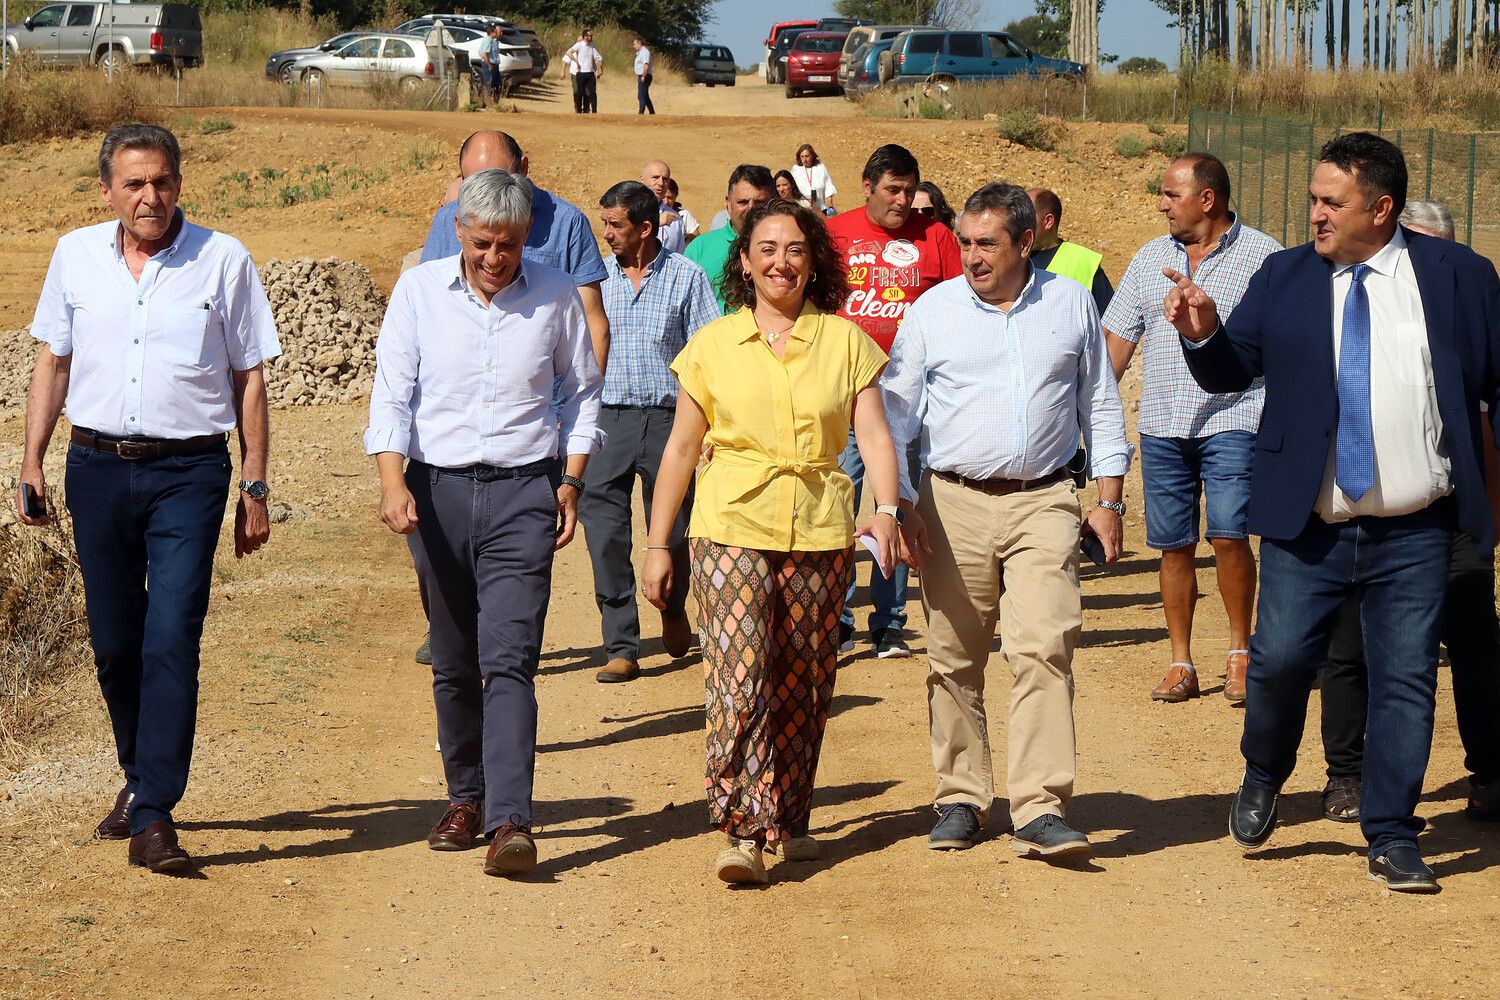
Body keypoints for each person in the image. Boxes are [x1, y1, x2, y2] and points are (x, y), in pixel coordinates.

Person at [1166, 133, 1500, 893]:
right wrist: (1202, 333)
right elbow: (1228, 369)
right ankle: (1264, 772)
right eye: (1313, 199)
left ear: (1380, 210)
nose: (1313, 215)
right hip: (1308, 527)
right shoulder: (1284, 277)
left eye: (1330, 202)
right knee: (1281, 662)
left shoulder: (1460, 278)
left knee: (1407, 680)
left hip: (1418, 526)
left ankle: (1391, 832)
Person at [20, 123, 281, 874]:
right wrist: (30, 461)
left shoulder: (223, 259)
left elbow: (249, 377)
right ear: (106, 190)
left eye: (162, 181)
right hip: (95, 469)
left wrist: (255, 482)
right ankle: (139, 780)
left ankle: (156, 814)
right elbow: (53, 361)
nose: (150, 196)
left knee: (172, 635)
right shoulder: (74, 256)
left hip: (190, 474)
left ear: (179, 183)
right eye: (134, 183)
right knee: (113, 645)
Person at [641, 199, 902, 885]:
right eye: (766, 248)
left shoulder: (846, 343)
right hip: (729, 525)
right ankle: (742, 827)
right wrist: (657, 542)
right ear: (745, 261)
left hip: (819, 529)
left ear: (813, 259)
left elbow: (873, 435)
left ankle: (790, 814)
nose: (780, 261)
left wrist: (890, 510)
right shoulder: (713, 346)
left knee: (806, 680)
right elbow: (679, 449)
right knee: (739, 677)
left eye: (794, 248)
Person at [366, 168, 603, 877]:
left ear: (527, 236)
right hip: (434, 494)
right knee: (452, 657)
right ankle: (462, 799)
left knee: (509, 658)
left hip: (523, 493)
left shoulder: (557, 294)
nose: (493, 257)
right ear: (460, 233)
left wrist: (570, 482)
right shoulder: (417, 292)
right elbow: (392, 394)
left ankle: (508, 820)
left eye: (506, 243)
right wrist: (390, 481)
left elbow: (583, 395)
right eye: (480, 243)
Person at [883, 183, 1130, 859]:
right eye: (964, 241)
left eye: (986, 243)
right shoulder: (933, 311)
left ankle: (1041, 805)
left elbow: (1099, 405)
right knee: (953, 656)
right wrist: (898, 502)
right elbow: (895, 415)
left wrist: (1107, 500)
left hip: (1046, 498)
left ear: (1027, 243)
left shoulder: (1070, 302)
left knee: (1044, 647)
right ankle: (962, 797)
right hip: (949, 500)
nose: (971, 256)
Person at [1317, 198, 1500, 826]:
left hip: (1451, 512)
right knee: (1349, 644)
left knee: (1473, 640)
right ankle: (1346, 774)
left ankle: (1491, 772)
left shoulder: (1468, 312)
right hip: (1365, 508)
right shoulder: (1347, 300)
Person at [1102, 154, 1282, 705]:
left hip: (1236, 415)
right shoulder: (1149, 258)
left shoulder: (1264, 256)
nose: (1161, 204)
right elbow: (1115, 348)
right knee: (1172, 546)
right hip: (1161, 424)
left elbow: (1281, 344)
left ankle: (1239, 653)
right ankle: (1181, 662)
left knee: (1229, 534)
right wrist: (1089, 414)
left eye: (1170, 194)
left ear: (1207, 199)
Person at [826, 143, 963, 658]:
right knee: (839, 500)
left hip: (910, 397)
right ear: (867, 186)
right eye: (893, 190)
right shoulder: (836, 234)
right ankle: (836, 617)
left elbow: (960, 308)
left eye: (910, 190)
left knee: (899, 500)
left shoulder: (938, 238)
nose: (903, 200)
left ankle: (889, 621)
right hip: (844, 390)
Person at [582, 181, 719, 683]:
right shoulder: (592, 280)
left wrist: (708, 427)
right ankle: (620, 641)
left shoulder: (686, 277)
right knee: (604, 533)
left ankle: (673, 605)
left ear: (645, 228)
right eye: (604, 224)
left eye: (615, 225)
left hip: (670, 421)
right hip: (606, 420)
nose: (607, 234)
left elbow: (708, 354)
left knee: (675, 527)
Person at [684, 163, 775, 312]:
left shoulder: (788, 251)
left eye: (760, 202)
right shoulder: (699, 249)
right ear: (728, 203)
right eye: (743, 202)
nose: (751, 209)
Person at [1028, 187, 1114, 316]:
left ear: (1048, 221)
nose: (1018, 223)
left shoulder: (1083, 261)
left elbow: (1111, 323)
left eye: (1025, 216)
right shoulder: (1009, 256)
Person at [640, 160, 686, 253]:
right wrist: (657, 223)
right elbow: (625, 244)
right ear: (642, 180)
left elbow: (679, 256)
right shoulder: (627, 210)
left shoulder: (675, 219)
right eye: (655, 177)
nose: (661, 183)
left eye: (665, 179)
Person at [561, 28, 602, 114]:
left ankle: (588, 109)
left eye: (591, 36)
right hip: (577, 72)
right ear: (583, 37)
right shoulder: (577, 46)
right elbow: (566, 57)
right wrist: (574, 62)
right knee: (578, 92)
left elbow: (597, 59)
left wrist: (598, 70)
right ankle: (578, 109)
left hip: (589, 73)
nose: (590, 37)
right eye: (588, 36)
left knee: (590, 92)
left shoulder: (592, 47)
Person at [791, 143, 837, 216]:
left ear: (812, 156)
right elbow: (791, 188)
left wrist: (829, 203)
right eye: (802, 157)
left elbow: (828, 185)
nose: (804, 159)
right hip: (803, 211)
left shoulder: (821, 167)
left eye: (807, 156)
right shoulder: (796, 169)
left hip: (821, 209)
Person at [479, 23, 502, 105]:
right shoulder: (488, 40)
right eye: (496, 32)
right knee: (488, 83)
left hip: (494, 64)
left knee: (496, 84)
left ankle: (494, 102)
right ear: (492, 32)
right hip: (489, 64)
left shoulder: (493, 41)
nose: (497, 33)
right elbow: (484, 54)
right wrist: (489, 65)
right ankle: (485, 102)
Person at [633, 36, 655, 115]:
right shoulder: (640, 53)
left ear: (639, 44)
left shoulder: (644, 52)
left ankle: (641, 112)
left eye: (635, 44)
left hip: (645, 76)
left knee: (641, 94)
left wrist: (643, 77)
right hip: (642, 76)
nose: (634, 46)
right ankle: (652, 112)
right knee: (644, 95)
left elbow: (646, 65)